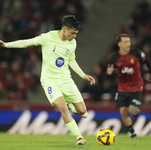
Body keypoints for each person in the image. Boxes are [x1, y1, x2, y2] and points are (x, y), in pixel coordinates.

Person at [0, 15, 95, 145]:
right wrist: (6, 45)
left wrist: (83, 75)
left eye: (76, 34)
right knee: (62, 107)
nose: (74, 36)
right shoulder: (48, 37)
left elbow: (71, 60)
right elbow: (26, 42)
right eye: (73, 33)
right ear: (64, 29)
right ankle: (79, 137)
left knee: (83, 112)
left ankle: (72, 106)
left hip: (66, 80)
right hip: (49, 81)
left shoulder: (72, 43)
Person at [106, 34, 151, 138]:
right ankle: (133, 133)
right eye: (125, 42)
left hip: (136, 86)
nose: (128, 44)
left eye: (129, 41)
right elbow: (108, 70)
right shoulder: (115, 57)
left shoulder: (136, 53)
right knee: (123, 112)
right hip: (122, 87)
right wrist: (109, 72)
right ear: (119, 44)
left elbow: (147, 60)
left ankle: (135, 113)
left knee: (133, 111)